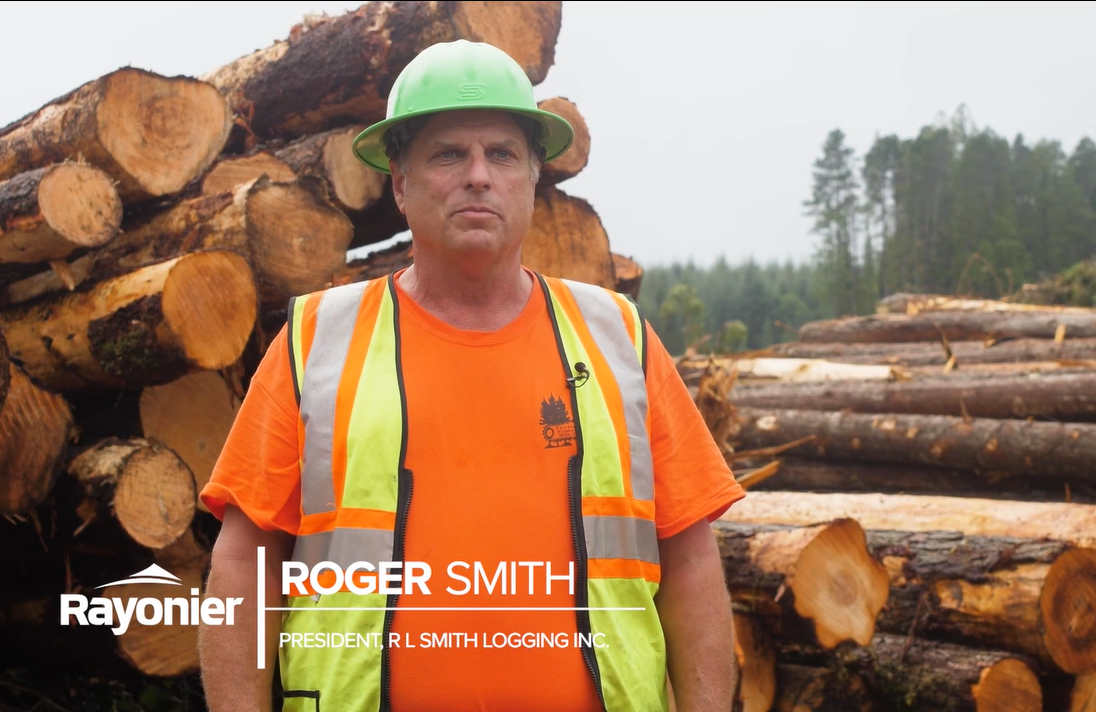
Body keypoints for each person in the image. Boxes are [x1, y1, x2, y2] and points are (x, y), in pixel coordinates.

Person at [198, 39, 745, 712]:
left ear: (533, 182)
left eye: (502, 154)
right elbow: (245, 564)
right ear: (399, 184)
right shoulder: (317, 344)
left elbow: (690, 563)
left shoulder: (618, 340)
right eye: (448, 154)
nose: (478, 176)